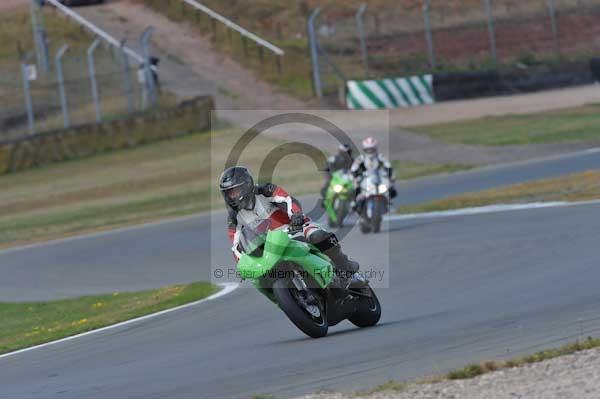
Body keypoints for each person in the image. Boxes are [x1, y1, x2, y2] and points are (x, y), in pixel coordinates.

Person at [220, 166, 364, 287]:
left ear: (246, 185)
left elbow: (287, 200)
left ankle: (344, 266)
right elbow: (236, 244)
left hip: (294, 228)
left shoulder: (265, 191)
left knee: (316, 236)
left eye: (235, 191)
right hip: (270, 247)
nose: (232, 196)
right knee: (260, 276)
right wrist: (242, 263)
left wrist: (296, 215)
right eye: (229, 193)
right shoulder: (234, 216)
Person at [351, 137, 397, 210]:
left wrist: (390, 174)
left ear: (375, 149)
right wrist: (355, 174)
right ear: (364, 150)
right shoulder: (361, 158)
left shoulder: (380, 156)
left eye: (372, 149)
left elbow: (388, 165)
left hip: (377, 176)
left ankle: (389, 202)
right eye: (368, 150)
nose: (370, 151)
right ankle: (354, 202)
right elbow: (354, 167)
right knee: (355, 186)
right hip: (365, 177)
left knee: (390, 186)